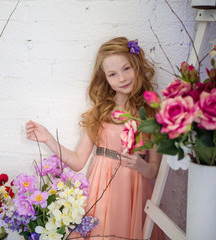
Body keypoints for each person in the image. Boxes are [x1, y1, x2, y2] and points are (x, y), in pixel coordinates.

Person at [26, 37, 163, 240]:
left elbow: (154, 170)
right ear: (105, 78)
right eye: (113, 74)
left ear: (136, 66)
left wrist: (140, 166)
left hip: (134, 190)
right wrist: (48, 139)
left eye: (126, 69)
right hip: (101, 190)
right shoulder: (99, 113)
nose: (122, 78)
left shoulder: (151, 113)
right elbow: (79, 161)